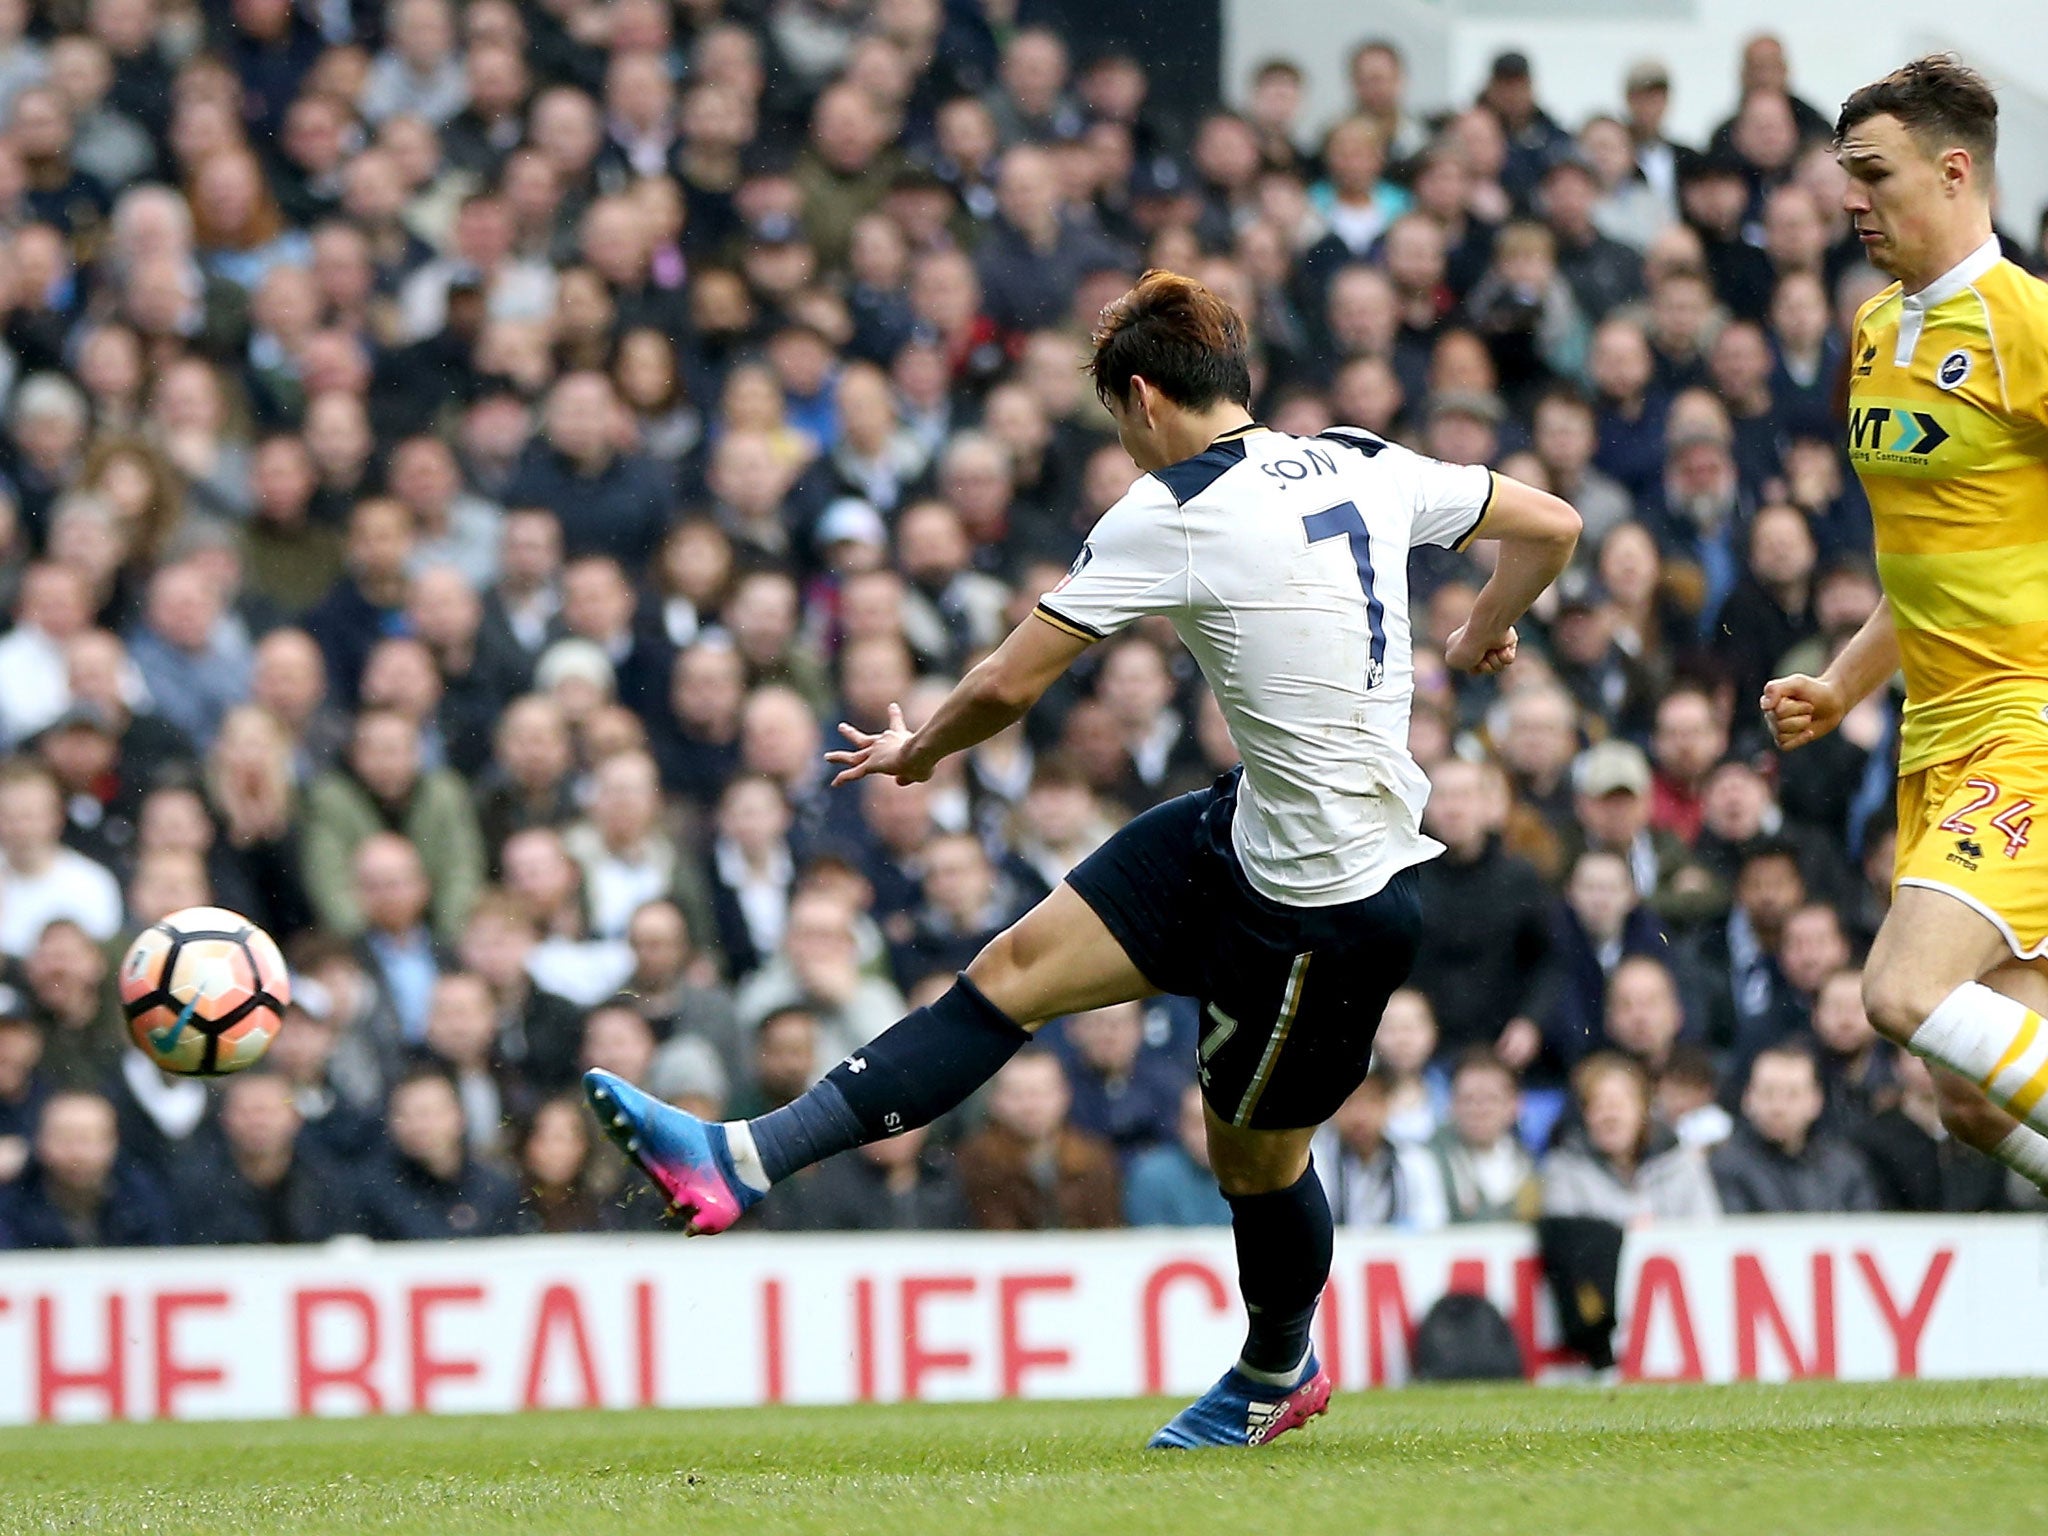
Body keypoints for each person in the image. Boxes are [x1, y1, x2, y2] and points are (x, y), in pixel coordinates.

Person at [585, 269, 1579, 1449]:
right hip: (1243, 829)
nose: (1120, 443)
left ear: (1145, 398)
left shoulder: (1174, 508)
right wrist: (1479, 626)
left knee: (1254, 1165)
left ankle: (1275, 1371)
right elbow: (1552, 524)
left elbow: (1008, 681)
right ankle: (741, 1157)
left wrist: (916, 754)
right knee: (1009, 972)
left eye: (1116, 418)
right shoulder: (1362, 458)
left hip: (1327, 905)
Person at [1761, 58, 2048, 1198]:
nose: (1848, 201)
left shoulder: (2023, 325)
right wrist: (1839, 686)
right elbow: (1922, 563)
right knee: (1968, 1095)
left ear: (1952, 169)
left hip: (2024, 722)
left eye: (1870, 175)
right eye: (1842, 177)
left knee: (1899, 996)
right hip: (1934, 734)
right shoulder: (1877, 327)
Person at [1709, 1043, 1881, 1214]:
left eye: (1792, 1095)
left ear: (1816, 1100)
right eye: (1767, 1093)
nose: (1778, 1107)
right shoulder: (1724, 1166)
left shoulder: (1845, 1166)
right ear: (1747, 1098)